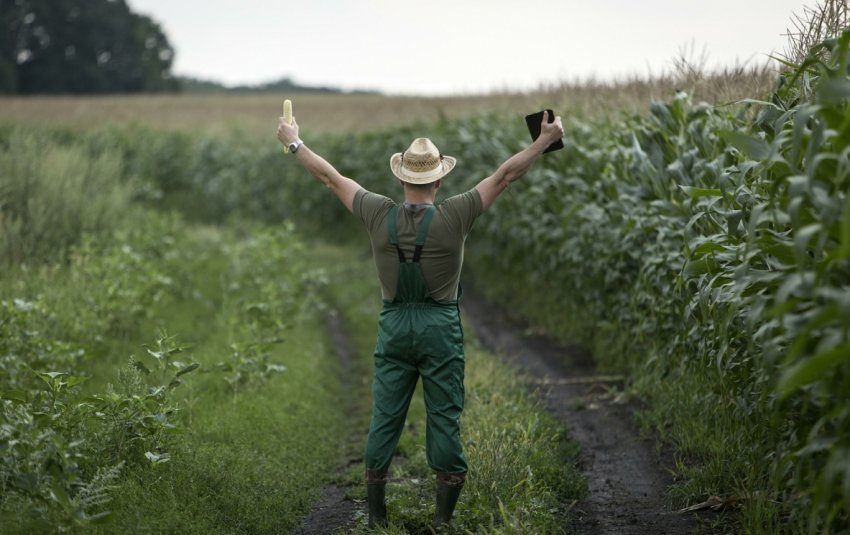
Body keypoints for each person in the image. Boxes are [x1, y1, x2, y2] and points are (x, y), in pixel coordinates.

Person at [276, 110, 564, 530]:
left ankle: (376, 518)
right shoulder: (455, 215)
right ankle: (443, 520)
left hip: (394, 326)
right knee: (443, 417)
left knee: (384, 417)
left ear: (401, 180)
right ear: (439, 181)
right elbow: (504, 176)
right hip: (439, 329)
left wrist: (294, 142)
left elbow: (330, 178)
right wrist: (543, 141)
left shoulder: (377, 212)